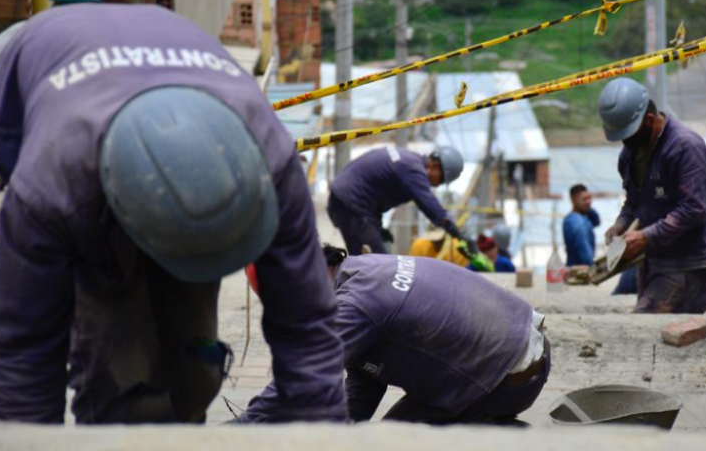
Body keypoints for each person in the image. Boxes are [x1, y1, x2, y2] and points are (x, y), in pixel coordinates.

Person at [0, 4, 345, 424]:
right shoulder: (50, 189)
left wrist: (323, 434)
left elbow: (307, 325)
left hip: (159, 85)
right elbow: (26, 349)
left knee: (193, 366)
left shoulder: (273, 166)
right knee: (115, 371)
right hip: (82, 172)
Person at [242, 245, 550, 425]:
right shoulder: (362, 269)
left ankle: (497, 433)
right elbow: (365, 382)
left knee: (395, 440)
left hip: (510, 378)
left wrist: (238, 429)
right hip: (524, 349)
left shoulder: (355, 305)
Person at [598, 78, 706, 314]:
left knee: (647, 324)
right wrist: (621, 224)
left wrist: (645, 237)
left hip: (688, 264)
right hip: (655, 259)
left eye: (630, 134)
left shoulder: (685, 147)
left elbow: (694, 209)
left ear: (649, 120)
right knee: (653, 334)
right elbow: (634, 201)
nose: (627, 142)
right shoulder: (630, 154)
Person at [329, 145, 469, 255]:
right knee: (376, 265)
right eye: (442, 180)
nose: (438, 184)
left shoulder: (409, 159)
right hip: (351, 205)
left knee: (367, 261)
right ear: (435, 167)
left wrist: (378, 226)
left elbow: (374, 192)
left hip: (345, 201)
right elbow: (431, 206)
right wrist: (458, 234)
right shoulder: (414, 171)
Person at [563, 184, 601, 267]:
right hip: (579, 271)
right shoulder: (575, 222)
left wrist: (588, 206)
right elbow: (583, 248)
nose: (588, 202)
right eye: (584, 199)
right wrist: (592, 267)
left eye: (589, 198)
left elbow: (597, 222)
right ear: (573, 200)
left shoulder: (584, 217)